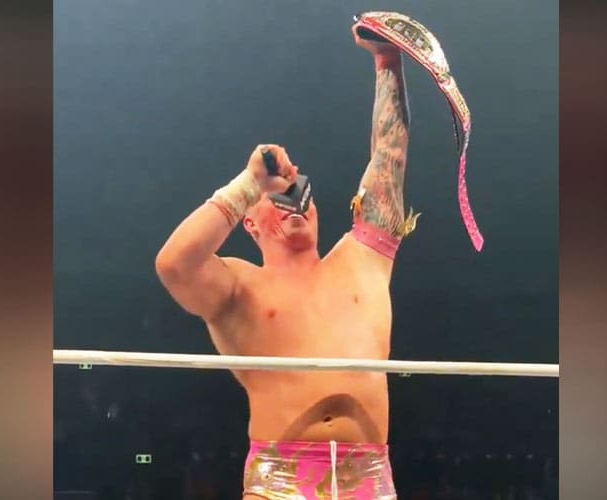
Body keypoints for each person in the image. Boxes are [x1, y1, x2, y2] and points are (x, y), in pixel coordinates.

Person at [155, 25, 419, 500]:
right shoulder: (238, 285)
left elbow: (389, 159)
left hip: (369, 476)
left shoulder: (361, 261)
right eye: (278, 198)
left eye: (301, 195)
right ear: (249, 222)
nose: (294, 204)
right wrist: (250, 183)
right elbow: (175, 264)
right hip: (282, 477)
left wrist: (388, 63)